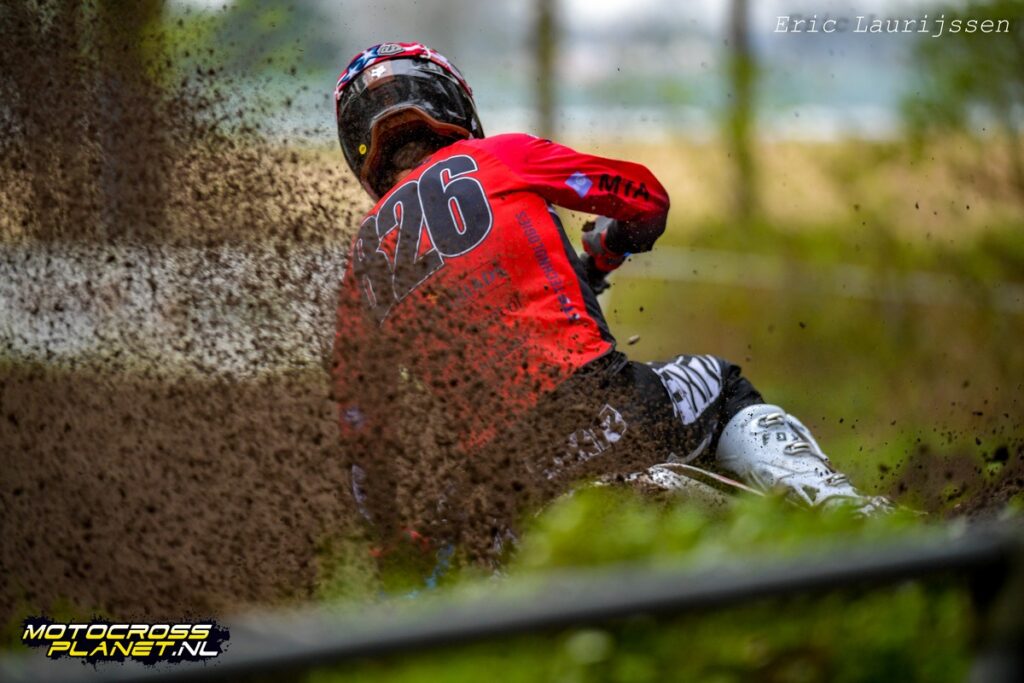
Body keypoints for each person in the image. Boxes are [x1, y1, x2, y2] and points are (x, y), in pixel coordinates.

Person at [331, 42, 891, 559]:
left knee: (449, 544)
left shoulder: (363, 259)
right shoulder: (501, 158)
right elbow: (647, 200)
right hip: (611, 415)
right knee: (722, 385)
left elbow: (360, 422)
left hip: (507, 484)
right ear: (450, 102)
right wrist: (616, 243)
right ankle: (846, 512)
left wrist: (390, 539)